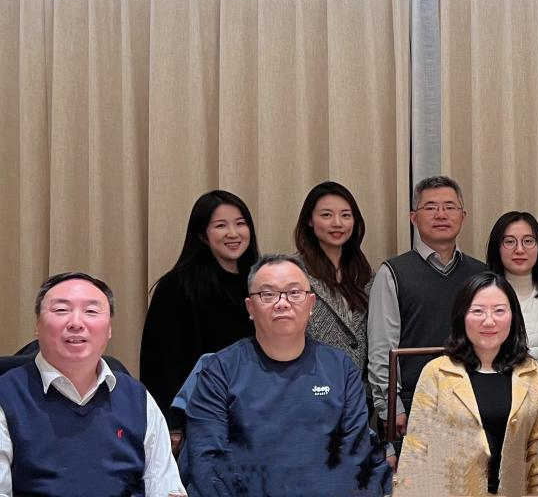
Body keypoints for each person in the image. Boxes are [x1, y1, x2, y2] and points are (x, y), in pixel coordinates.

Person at [182, 255, 390, 496]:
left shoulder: (341, 368)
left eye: (294, 293)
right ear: (250, 308)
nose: (282, 303)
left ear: (311, 304)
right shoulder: (219, 371)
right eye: (268, 294)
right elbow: (206, 463)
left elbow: (357, 456)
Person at [0, 273, 185, 496]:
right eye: (61, 310)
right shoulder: (6, 396)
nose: (76, 323)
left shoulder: (137, 399)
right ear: (37, 325)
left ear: (109, 329)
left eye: (91, 311)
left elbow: (164, 486)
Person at [395, 273, 538, 497]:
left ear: (513, 316)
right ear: (462, 316)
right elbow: (416, 453)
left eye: (499, 311)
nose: (489, 321)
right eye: (478, 311)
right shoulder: (437, 373)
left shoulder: (531, 373)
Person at [367, 176, 488, 442]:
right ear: (413, 217)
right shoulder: (393, 272)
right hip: (414, 402)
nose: (441, 214)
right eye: (431, 207)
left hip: (474, 397)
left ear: (463, 216)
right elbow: (382, 347)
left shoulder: (482, 274)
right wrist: (391, 407)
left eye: (450, 207)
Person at [141, 190, 260, 427]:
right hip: (200, 412)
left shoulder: (260, 281)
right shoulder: (177, 285)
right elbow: (160, 362)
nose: (233, 233)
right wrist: (171, 423)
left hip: (255, 409)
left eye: (240, 223)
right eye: (221, 225)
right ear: (202, 235)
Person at [484, 211, 538, 390]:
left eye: (528, 241)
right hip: (491, 396)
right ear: (497, 248)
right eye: (509, 242)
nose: (519, 250)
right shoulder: (481, 298)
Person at [294, 181, 374, 374]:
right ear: (309, 220)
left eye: (345, 215)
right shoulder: (293, 271)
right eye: (326, 215)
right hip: (311, 380)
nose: (337, 223)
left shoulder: (365, 273)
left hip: (360, 387)